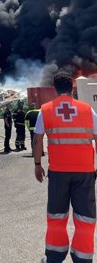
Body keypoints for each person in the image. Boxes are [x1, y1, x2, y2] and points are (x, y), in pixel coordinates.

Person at [33, 70, 97, 263]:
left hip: (58, 172)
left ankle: (54, 256)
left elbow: (37, 139)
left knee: (56, 215)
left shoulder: (46, 109)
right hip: (85, 172)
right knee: (85, 217)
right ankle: (83, 257)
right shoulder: (87, 110)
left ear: (55, 88)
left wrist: (37, 164)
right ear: (73, 87)